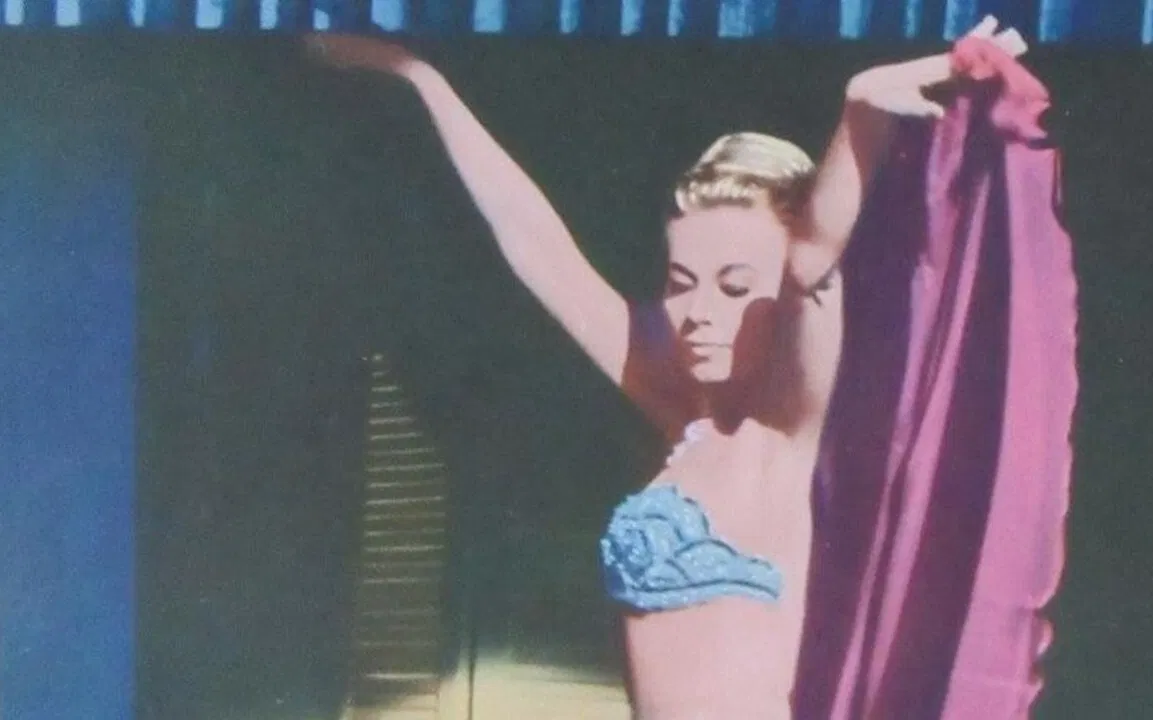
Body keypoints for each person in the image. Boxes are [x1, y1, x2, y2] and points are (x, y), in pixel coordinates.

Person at [309, 19, 1029, 719]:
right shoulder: (675, 407)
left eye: (736, 286)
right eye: (682, 283)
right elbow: (536, 245)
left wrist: (859, 114)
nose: (698, 313)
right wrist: (423, 80)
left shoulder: (789, 431)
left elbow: (812, 260)